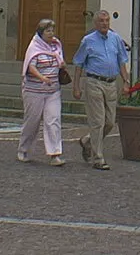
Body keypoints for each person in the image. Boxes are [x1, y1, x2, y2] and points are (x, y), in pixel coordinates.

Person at [70, 9, 130, 170]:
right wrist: (76, 86)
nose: (104, 23)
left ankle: (87, 141)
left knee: (110, 122)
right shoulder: (88, 41)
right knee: (98, 122)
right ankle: (98, 158)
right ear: (96, 23)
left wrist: (126, 81)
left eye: (107, 21)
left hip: (111, 83)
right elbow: (78, 64)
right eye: (101, 21)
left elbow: (122, 61)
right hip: (94, 82)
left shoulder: (115, 39)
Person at [19, 18, 67, 166]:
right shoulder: (34, 47)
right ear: (41, 33)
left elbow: (59, 61)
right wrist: (42, 78)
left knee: (53, 120)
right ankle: (24, 149)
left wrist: (62, 65)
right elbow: (31, 66)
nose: (51, 33)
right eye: (48, 30)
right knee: (32, 122)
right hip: (34, 90)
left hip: (53, 90)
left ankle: (55, 154)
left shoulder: (56, 46)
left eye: (52, 30)